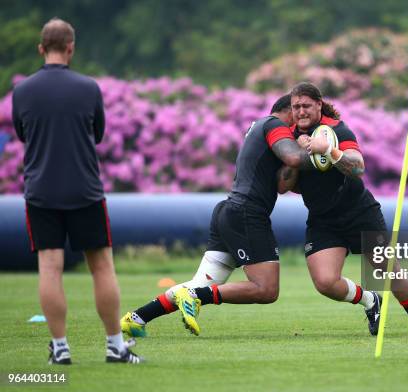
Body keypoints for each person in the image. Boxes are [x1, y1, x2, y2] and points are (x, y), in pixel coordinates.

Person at [121, 95, 327, 337]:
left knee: (201, 283)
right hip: (246, 215)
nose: (302, 117)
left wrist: (299, 150)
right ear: (288, 113)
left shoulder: (258, 127)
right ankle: (195, 298)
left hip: (229, 211)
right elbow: (293, 157)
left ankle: (136, 318)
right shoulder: (274, 125)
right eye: (297, 111)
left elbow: (283, 183)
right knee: (266, 290)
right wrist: (324, 151)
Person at [12, 18, 141, 364]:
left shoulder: (22, 91)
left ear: (41, 48)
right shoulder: (88, 88)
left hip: (40, 193)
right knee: (101, 268)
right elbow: (97, 134)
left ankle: (61, 349)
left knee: (49, 269)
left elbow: (24, 135)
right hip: (85, 191)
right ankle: (115, 346)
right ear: (71, 48)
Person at [279, 82, 408, 336]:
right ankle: (370, 301)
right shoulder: (288, 137)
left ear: (319, 105)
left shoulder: (338, 130)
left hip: (358, 212)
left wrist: (329, 151)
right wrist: (295, 157)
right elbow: (282, 186)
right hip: (323, 220)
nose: (300, 111)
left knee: (389, 272)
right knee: (325, 283)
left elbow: (358, 167)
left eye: (306, 105)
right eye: (296, 106)